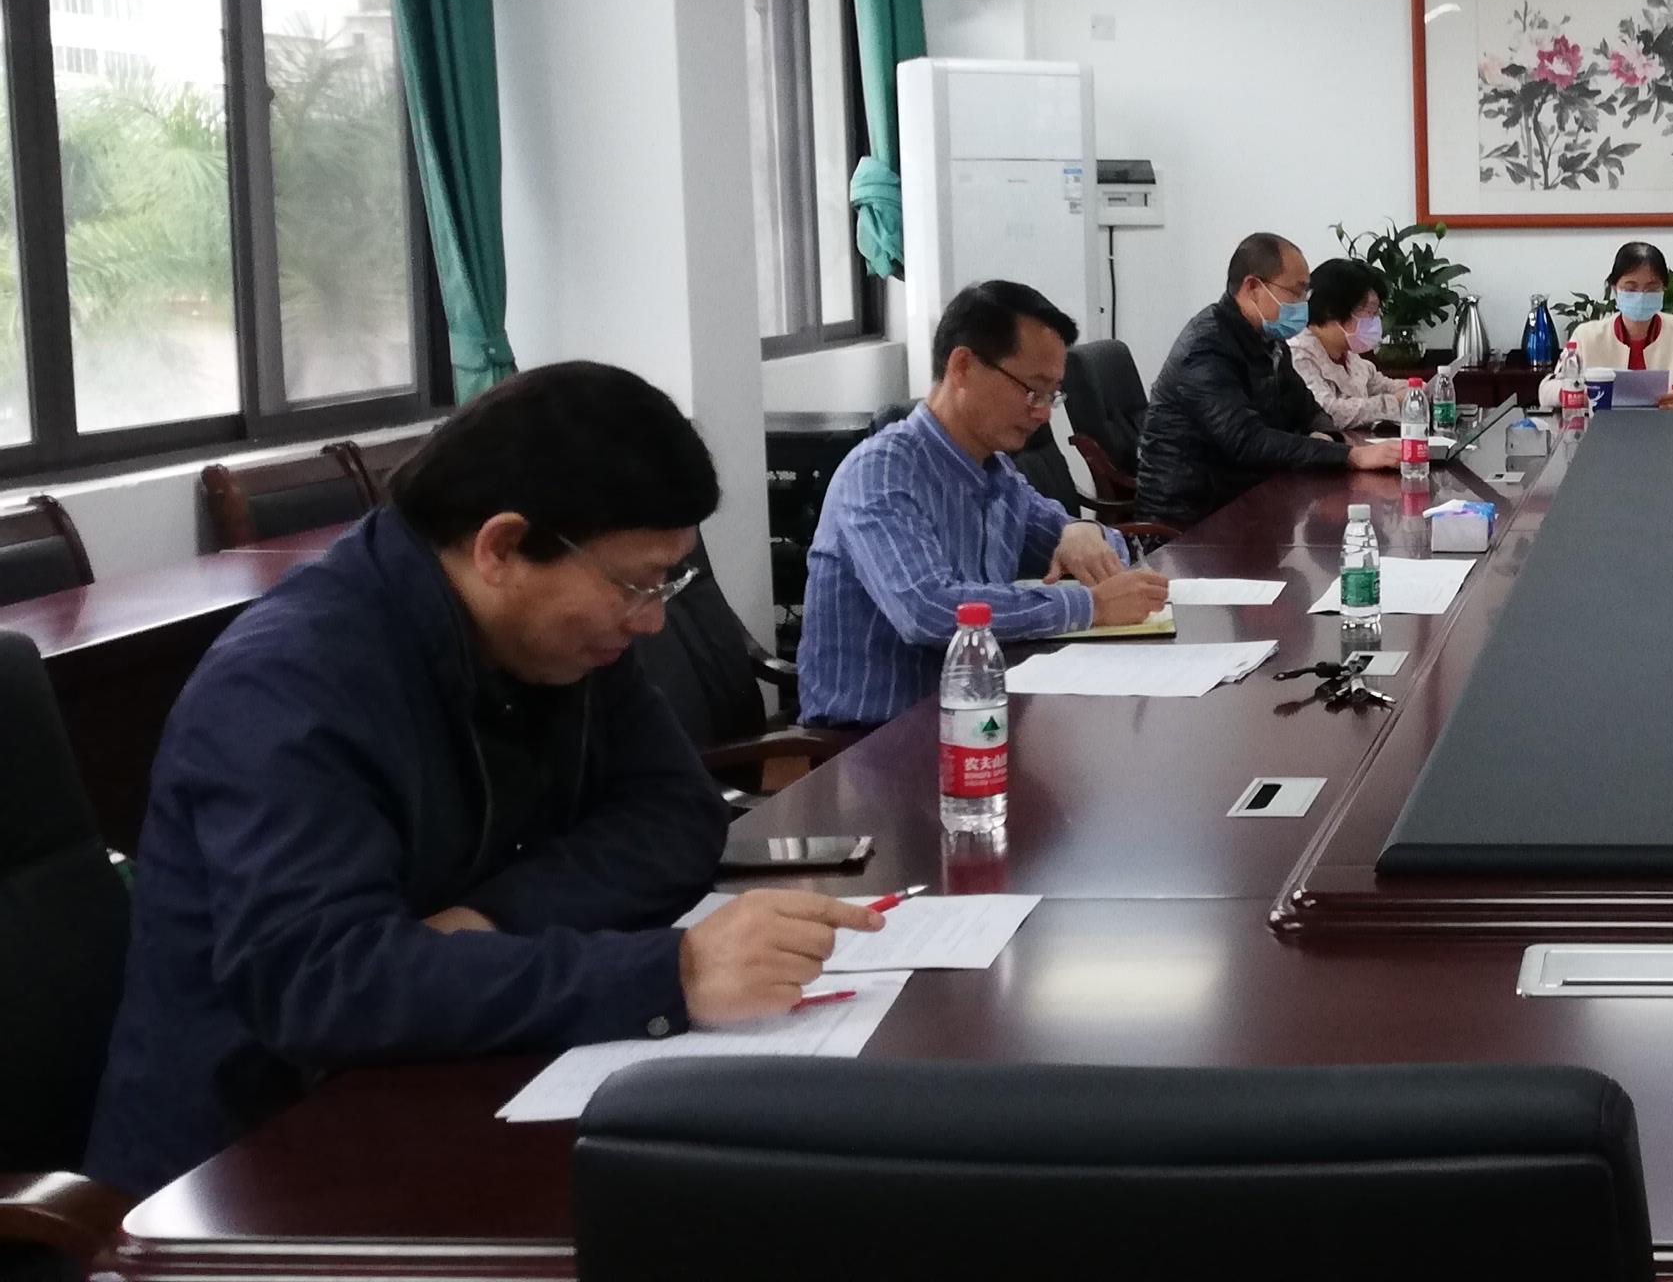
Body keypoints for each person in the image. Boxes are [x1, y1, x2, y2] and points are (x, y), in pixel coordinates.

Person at [86, 364, 888, 1197]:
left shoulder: (561, 639)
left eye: (667, 584)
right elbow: (323, 983)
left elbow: (678, 813)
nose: (653, 618)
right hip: (243, 1170)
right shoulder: (287, 687)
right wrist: (671, 975)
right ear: (501, 548)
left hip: (446, 1086)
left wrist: (490, 920)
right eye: (636, 583)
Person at [800, 280, 1170, 729]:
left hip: (977, 716)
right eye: (1032, 390)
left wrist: (1082, 531)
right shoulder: (881, 473)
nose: (1043, 413)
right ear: (962, 366)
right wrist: (1090, 605)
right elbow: (928, 611)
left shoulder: (995, 472)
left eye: (1052, 395)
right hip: (877, 739)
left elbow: (1087, 543)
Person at [1141, 233, 1405, 525]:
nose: (1304, 305)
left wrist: (1328, 438)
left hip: (1252, 499)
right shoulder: (1206, 348)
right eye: (1296, 292)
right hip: (1192, 518)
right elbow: (1246, 440)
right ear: (1254, 288)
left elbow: (1308, 409)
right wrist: (1349, 456)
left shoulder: (1269, 340)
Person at [1569, 241, 1673, 408]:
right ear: (1615, 289)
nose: (1641, 296)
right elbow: (1553, 385)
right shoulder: (1586, 336)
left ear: (1663, 289)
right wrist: (1579, 394)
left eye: (1652, 289)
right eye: (1631, 289)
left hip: (1670, 423)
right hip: (1602, 423)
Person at [1290, 256, 1413, 432]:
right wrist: (1393, 402)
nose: (1375, 320)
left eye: (1376, 312)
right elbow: (1326, 412)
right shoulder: (1298, 354)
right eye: (1369, 311)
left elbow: (1380, 385)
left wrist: (1415, 389)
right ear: (1332, 310)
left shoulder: (1349, 355)